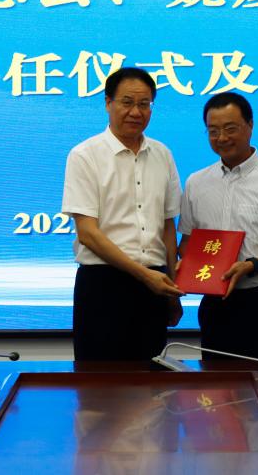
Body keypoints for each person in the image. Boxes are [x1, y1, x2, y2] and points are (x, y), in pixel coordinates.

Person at [62, 67, 184, 360]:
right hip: (104, 285)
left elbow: (168, 226)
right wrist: (144, 276)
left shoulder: (163, 154)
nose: (135, 112)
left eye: (144, 104)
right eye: (127, 102)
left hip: (155, 285)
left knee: (152, 381)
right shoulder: (85, 155)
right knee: (100, 380)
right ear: (108, 102)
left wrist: (171, 287)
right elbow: (88, 233)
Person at [178, 92, 258, 362]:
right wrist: (186, 266)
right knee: (215, 385)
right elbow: (188, 243)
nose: (222, 138)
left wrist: (252, 265)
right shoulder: (195, 183)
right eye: (213, 131)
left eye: (230, 129)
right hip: (216, 305)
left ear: (250, 126)